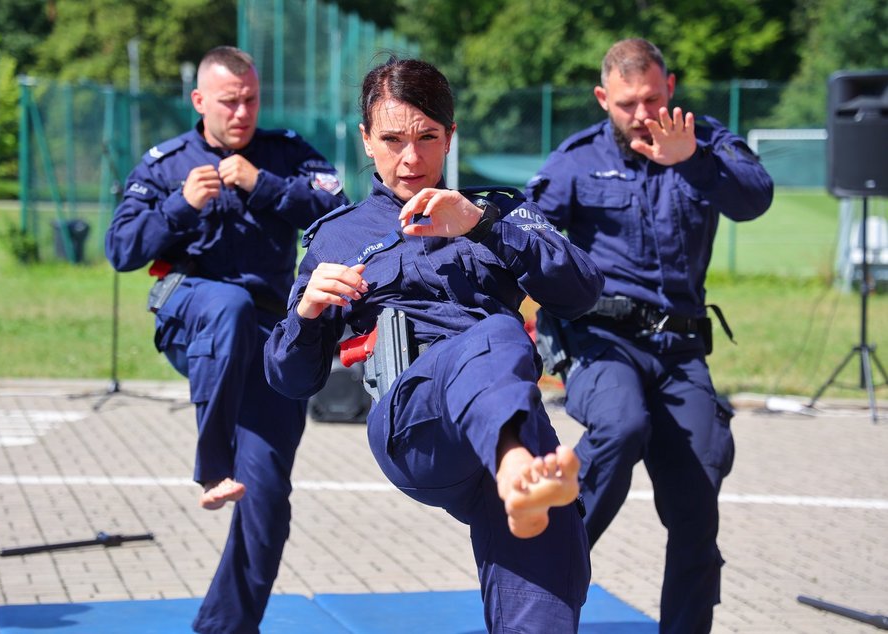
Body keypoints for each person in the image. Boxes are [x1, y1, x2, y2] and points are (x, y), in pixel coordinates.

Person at [264, 57, 604, 632]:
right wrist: (306, 313)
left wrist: (483, 225)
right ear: (366, 141)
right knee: (496, 333)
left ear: (450, 136)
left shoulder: (497, 209)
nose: (411, 159)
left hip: (507, 418)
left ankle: (518, 475)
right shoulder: (336, 235)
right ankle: (518, 464)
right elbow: (291, 380)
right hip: (415, 425)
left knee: (548, 580)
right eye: (393, 140)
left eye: (427, 138)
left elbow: (581, 292)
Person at [525, 38, 774, 632]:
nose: (642, 114)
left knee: (697, 501)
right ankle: (537, 568)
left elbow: (755, 198)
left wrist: (690, 159)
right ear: (602, 98)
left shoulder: (704, 140)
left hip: (682, 351)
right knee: (621, 423)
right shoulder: (576, 161)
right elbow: (525, 236)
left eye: (653, 99)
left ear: (672, 87)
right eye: (627, 103)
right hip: (601, 342)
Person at [104, 46, 348, 633]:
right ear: (200, 101)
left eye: (250, 100)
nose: (241, 112)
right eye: (228, 101)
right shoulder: (167, 164)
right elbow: (121, 249)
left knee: (267, 502)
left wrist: (266, 187)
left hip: (269, 338)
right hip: (192, 316)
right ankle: (212, 464)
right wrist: (178, 205)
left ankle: (226, 627)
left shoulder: (284, 154)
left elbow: (339, 211)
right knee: (229, 306)